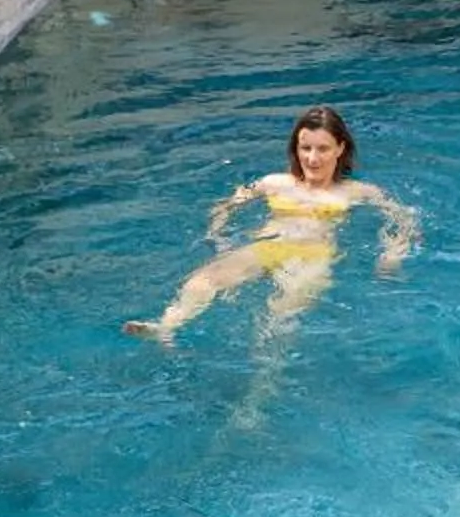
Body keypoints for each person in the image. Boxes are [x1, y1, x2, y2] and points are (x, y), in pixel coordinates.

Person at [124, 104, 419, 344]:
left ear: (340, 149)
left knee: (275, 323)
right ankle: (166, 326)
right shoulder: (274, 183)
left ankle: (260, 391)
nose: (312, 158)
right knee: (203, 281)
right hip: (266, 246)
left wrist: (393, 252)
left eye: (323, 149)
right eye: (305, 148)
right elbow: (227, 205)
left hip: (311, 258)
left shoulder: (357, 192)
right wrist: (219, 236)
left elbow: (403, 218)